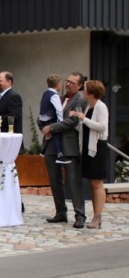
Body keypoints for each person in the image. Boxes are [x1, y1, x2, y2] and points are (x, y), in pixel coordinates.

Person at [44, 72, 87, 228]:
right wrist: (43, 126)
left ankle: (80, 215)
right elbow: (45, 114)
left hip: (69, 145)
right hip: (51, 145)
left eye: (72, 83)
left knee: (73, 180)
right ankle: (61, 212)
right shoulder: (57, 98)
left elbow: (72, 120)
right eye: (67, 81)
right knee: (54, 179)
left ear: (79, 86)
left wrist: (52, 127)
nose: (67, 84)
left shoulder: (80, 100)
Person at [72, 79, 109, 230]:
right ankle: (95, 216)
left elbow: (102, 127)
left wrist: (84, 119)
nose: (83, 92)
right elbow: (85, 128)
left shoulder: (101, 107)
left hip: (98, 148)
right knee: (91, 183)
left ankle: (98, 217)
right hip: (88, 147)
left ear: (91, 93)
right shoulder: (89, 107)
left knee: (97, 183)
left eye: (85, 89)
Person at [38, 74, 66, 164]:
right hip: (50, 118)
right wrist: (60, 122)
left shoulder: (45, 93)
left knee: (48, 136)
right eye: (61, 84)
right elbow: (59, 109)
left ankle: (43, 151)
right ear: (58, 84)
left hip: (42, 118)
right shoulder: (54, 95)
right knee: (56, 134)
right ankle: (60, 154)